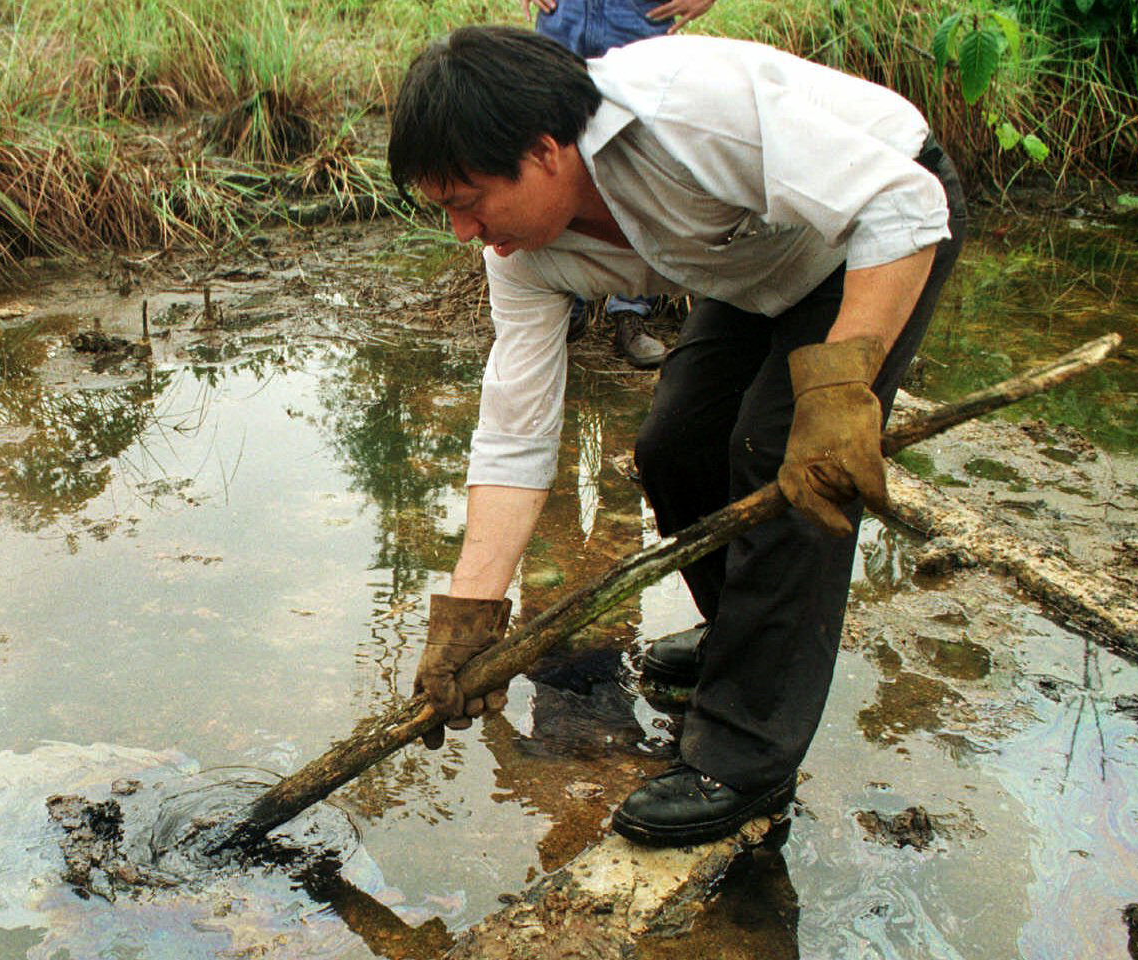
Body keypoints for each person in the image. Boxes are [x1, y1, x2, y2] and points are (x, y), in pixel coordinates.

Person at [394, 26, 966, 847]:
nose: (462, 231)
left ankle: (744, 756)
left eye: (468, 200)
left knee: (783, 459)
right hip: (753, 268)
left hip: (877, 234)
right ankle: (744, 641)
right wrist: (472, 614)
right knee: (675, 448)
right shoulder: (517, 253)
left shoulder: (683, 114)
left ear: (548, 152)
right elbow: (517, 428)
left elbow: (906, 205)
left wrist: (840, 391)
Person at [521, 0, 719, 369]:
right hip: (563, 20)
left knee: (640, 154)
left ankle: (630, 311)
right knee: (553, 152)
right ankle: (567, 307)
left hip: (638, 19)